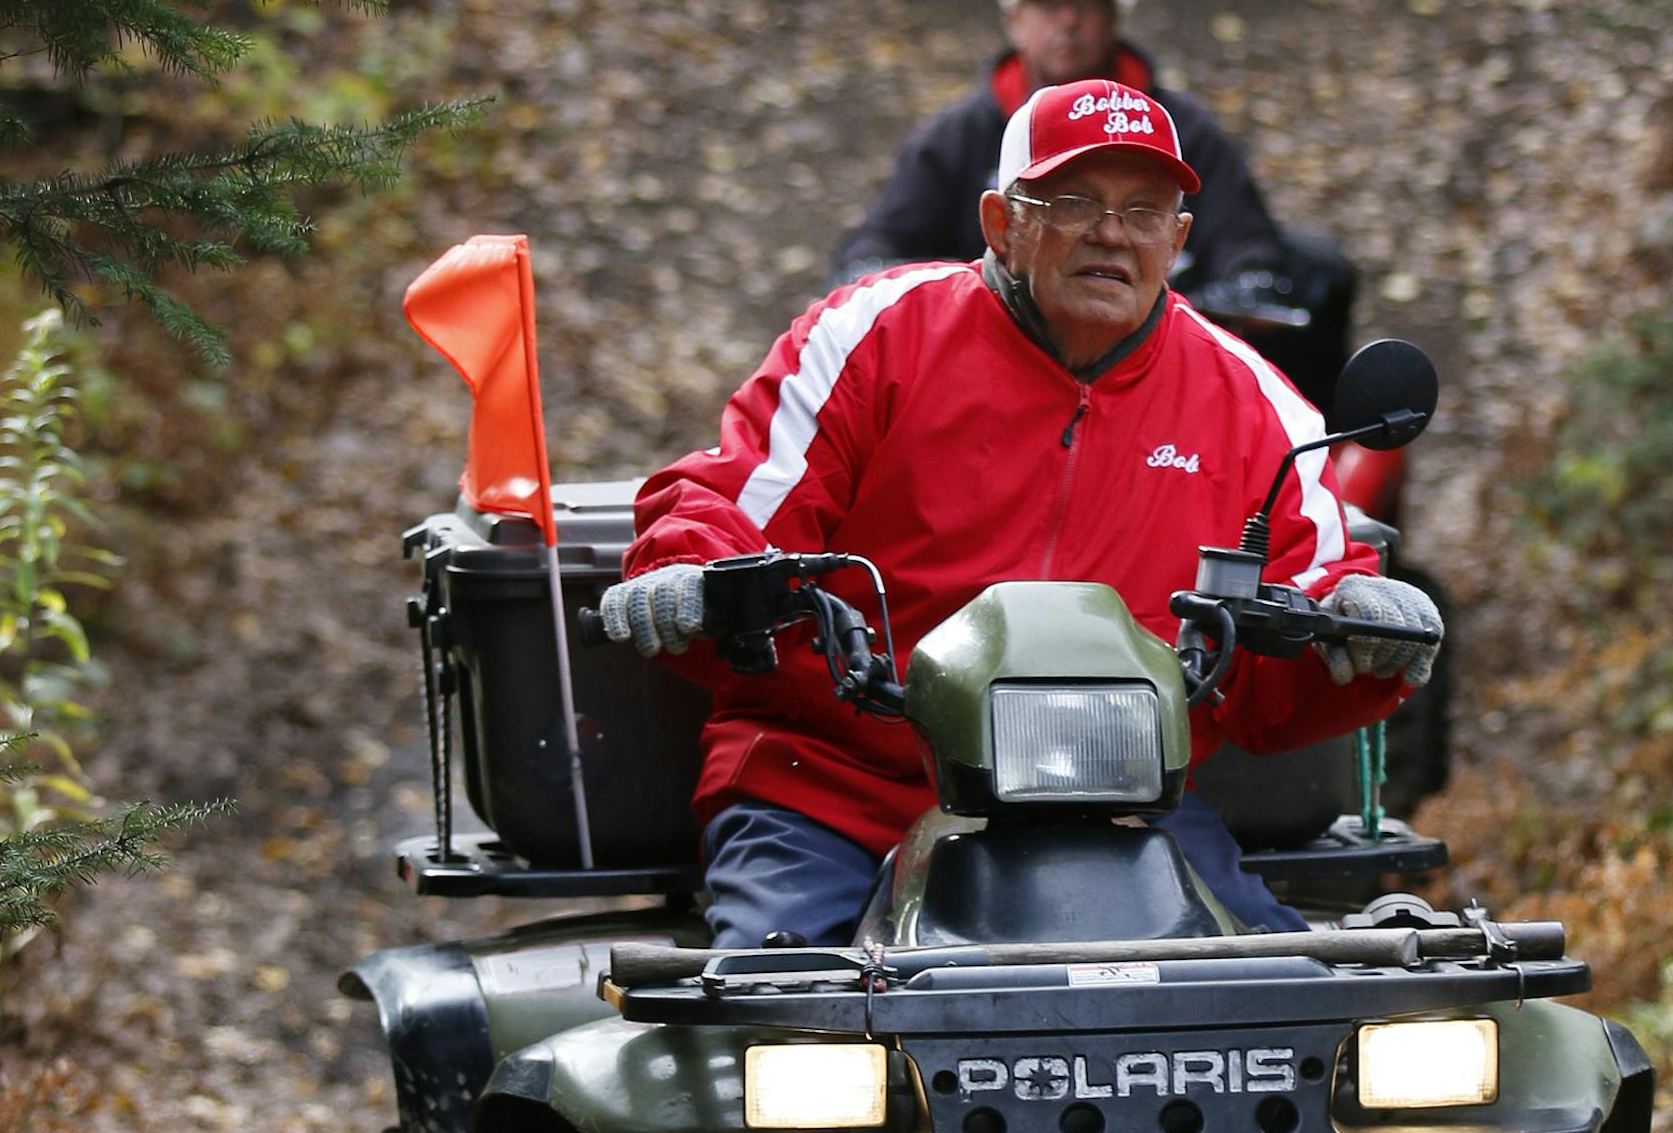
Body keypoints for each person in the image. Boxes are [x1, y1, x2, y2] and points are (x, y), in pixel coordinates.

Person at [598, 79, 1439, 949]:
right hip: (841, 795)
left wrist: (1366, 631)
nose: (1111, 232)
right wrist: (682, 571)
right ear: (1003, 223)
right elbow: (731, 500)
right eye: (1074, 200)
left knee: (1295, 1012)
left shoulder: (1255, 407)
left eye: (1145, 209)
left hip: (1122, 814)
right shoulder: (875, 335)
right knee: (781, 1026)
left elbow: (1316, 594)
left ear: (1178, 239)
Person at [828, 0, 1285, 297]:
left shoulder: (1181, 130)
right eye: (1050, 3)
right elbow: (879, 245)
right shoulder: (955, 138)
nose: (1068, 22)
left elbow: (1246, 242)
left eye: (1085, 2)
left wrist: (1242, 284)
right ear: (1014, 19)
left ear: (1115, 18)